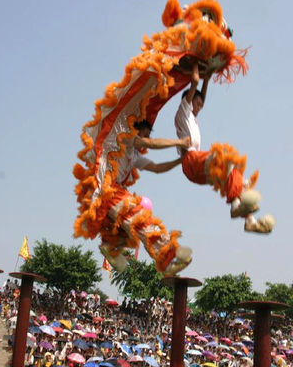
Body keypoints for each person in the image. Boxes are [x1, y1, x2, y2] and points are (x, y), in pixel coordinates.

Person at [174, 63, 275, 233]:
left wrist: (208, 78)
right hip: (191, 161)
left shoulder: (193, 116)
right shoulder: (184, 111)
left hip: (196, 170)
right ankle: (237, 200)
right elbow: (194, 81)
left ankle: (248, 220)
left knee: (231, 174)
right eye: (196, 104)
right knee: (227, 157)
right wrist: (198, 63)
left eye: (200, 105)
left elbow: (202, 97)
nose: (199, 107)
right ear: (189, 101)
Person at [94, 120, 193, 275]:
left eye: (147, 135)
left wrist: (181, 160)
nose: (145, 139)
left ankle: (111, 247)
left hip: (114, 193)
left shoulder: (134, 155)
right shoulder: (123, 138)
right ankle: (168, 255)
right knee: (141, 220)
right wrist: (179, 142)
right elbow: (150, 143)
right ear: (136, 130)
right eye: (144, 134)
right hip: (108, 191)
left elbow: (157, 168)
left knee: (128, 230)